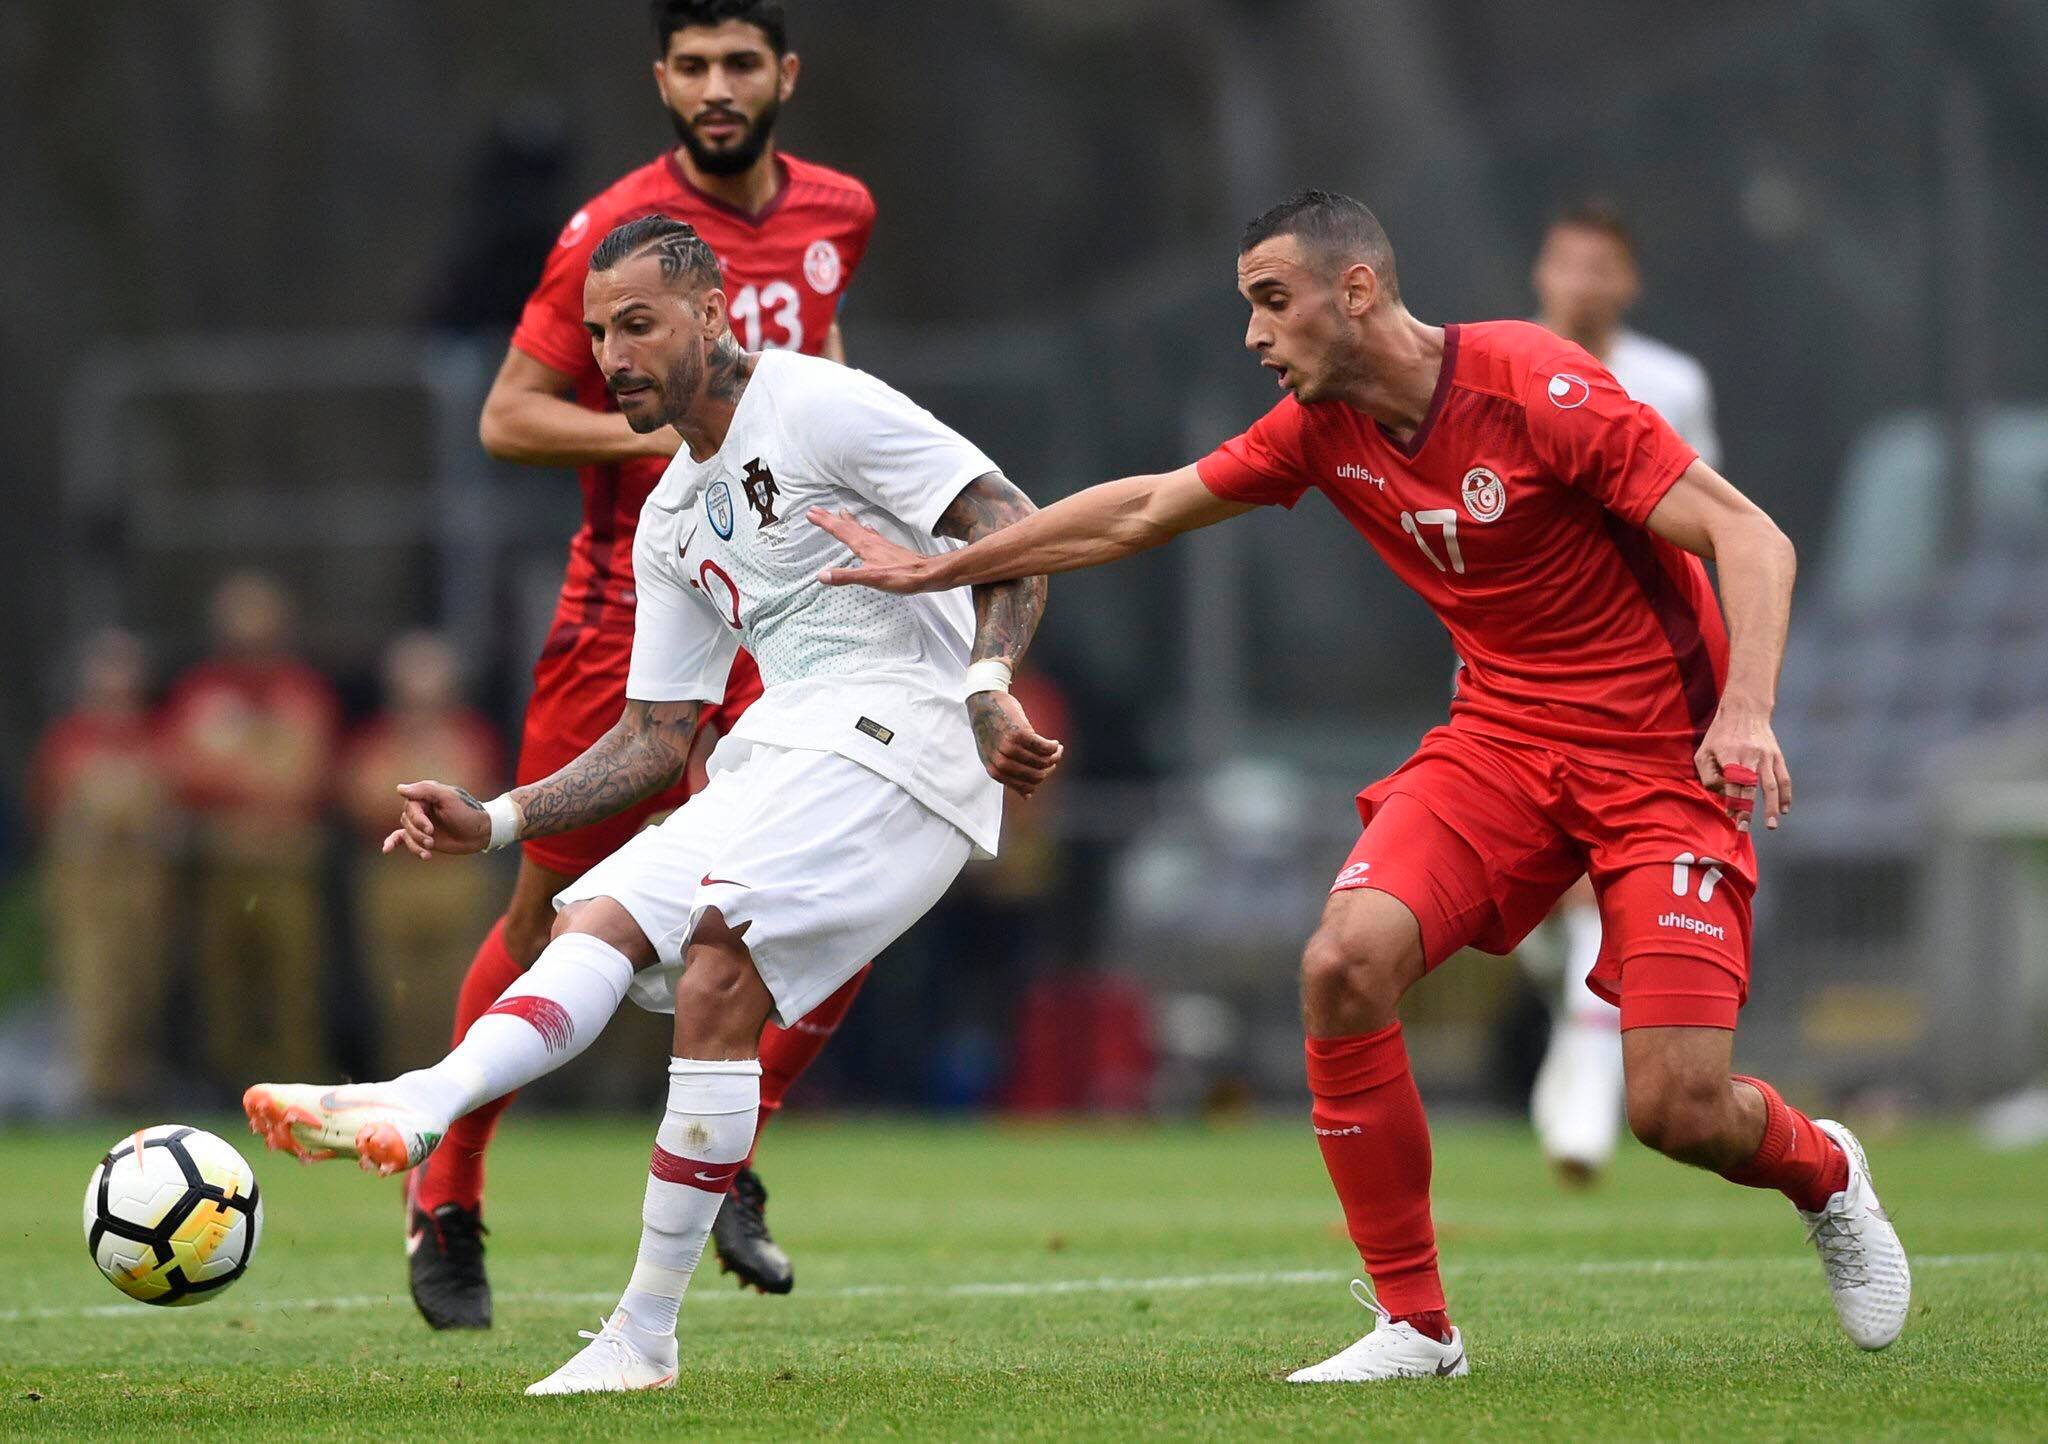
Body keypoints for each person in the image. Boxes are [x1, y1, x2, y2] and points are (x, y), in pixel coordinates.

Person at [807, 189, 1910, 1381]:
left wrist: (1744, 712)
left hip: (1659, 758)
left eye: (1270, 303)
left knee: (1676, 1110)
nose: (1252, 337)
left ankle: (1824, 1170)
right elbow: (1143, 508)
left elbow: (1751, 539)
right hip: (1498, 744)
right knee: (1341, 962)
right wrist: (943, 569)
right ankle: (1414, 1326)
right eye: (1246, 309)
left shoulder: (1529, 384)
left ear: (1357, 290)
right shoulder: (1316, 431)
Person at [244, 214, 1059, 1394]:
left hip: (908, 740)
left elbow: (1010, 522)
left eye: (638, 323)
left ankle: (638, 1337)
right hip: (790, 738)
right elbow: (653, 734)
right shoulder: (672, 514)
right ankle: (432, 1100)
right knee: (593, 919)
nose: (614, 355)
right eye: (596, 334)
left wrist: (986, 683)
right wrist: (502, 816)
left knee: (719, 965)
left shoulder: (818, 402)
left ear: (713, 313)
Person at [414, 0, 881, 1325]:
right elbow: (508, 414)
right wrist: (687, 435)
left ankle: (729, 1154)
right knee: (542, 919)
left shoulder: (840, 210)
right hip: (630, 614)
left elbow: (820, 371)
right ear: (661, 82)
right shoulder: (610, 232)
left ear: (785, 74)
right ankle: (448, 1196)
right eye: (695, 67)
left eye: (743, 64)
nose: (720, 88)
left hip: (785, 612)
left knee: (840, 890)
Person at [1526, 201, 1723, 1183]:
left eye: (1600, 265)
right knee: (1554, 910)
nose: (1581, 281)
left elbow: (1710, 521)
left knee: (1606, 900)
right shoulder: (1496, 371)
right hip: (1516, 663)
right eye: (1566, 263)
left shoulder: (1669, 383)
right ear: (1540, 274)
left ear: (1626, 280)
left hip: (1634, 674)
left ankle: (1581, 1111)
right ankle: (1570, 1086)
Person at [160, 572, 339, 1088]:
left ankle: (295, 1084)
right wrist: (262, 765)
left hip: (287, 863)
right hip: (221, 861)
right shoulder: (201, 689)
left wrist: (232, 762)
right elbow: (183, 771)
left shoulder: (302, 689)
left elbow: (310, 775)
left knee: (295, 981)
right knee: (222, 982)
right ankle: (227, 1085)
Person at [341, 633, 505, 1072]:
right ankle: (402, 1081)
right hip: (393, 876)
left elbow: (480, 800)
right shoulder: (373, 740)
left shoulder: (471, 736)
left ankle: (469, 1079)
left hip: (456, 878)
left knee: (462, 985)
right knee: (396, 994)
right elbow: (362, 799)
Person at [29, 630, 173, 1110]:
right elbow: (48, 808)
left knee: (142, 981)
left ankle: (136, 1082)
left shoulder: (154, 739)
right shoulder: (69, 740)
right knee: (93, 983)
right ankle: (92, 1089)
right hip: (88, 881)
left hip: (143, 878)